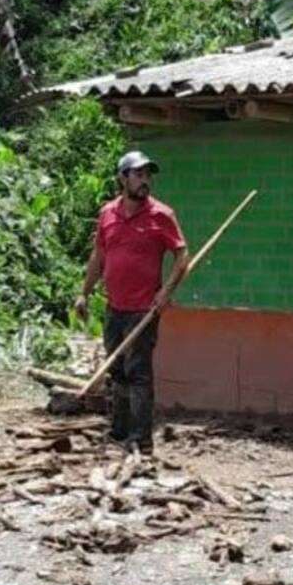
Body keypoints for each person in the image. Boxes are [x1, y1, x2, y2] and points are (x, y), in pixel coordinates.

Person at [75, 151, 189, 454]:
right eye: (138, 174)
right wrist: (84, 293)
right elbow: (98, 256)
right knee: (117, 371)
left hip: (143, 310)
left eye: (147, 175)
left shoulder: (161, 215)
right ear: (123, 178)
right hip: (114, 307)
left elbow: (182, 255)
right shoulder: (107, 214)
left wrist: (165, 292)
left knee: (138, 374)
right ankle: (119, 430)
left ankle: (141, 439)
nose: (145, 181)